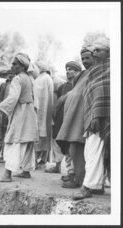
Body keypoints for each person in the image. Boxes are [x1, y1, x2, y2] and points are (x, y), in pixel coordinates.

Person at [0, 53, 39, 182]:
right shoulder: (29, 78)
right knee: (27, 141)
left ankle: (7, 174)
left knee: (14, 141)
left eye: (14, 64)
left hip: (21, 113)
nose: (12, 66)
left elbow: (13, 98)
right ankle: (26, 171)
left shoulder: (18, 79)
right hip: (30, 113)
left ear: (22, 66)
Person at [73, 38, 110, 200]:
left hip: (103, 118)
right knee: (91, 151)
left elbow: (106, 95)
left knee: (95, 150)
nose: (94, 53)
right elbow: (92, 95)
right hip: (93, 117)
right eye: (93, 51)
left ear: (108, 53)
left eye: (98, 50)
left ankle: (87, 187)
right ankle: (98, 185)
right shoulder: (94, 71)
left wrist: (96, 115)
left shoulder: (110, 70)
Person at [56, 47, 95, 188]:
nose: (85, 61)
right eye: (83, 58)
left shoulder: (97, 72)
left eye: (87, 58)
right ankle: (75, 176)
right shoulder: (85, 74)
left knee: (80, 148)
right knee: (73, 148)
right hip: (75, 118)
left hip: (85, 117)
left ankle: (80, 179)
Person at [53, 61, 81, 181]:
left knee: (72, 146)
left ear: (77, 71)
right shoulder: (62, 87)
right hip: (61, 119)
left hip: (72, 119)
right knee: (62, 145)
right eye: (67, 69)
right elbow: (57, 103)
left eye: (71, 69)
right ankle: (67, 171)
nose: (68, 71)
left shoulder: (79, 85)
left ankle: (73, 173)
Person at [33, 61, 54, 168]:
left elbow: (36, 99)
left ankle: (36, 160)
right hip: (47, 112)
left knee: (38, 135)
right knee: (45, 136)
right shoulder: (48, 78)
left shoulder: (39, 80)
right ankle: (43, 160)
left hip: (40, 112)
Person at [0, 74, 14, 163]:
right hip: (9, 113)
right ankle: (3, 156)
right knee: (7, 135)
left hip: (1, 112)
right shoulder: (12, 87)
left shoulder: (3, 85)